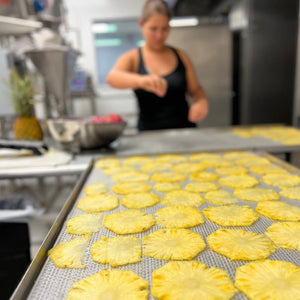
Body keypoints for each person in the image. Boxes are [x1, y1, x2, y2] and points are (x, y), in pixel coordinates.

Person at [106, 0, 209, 131]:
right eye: (153, 29)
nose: (159, 35)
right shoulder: (133, 57)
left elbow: (196, 91)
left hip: (185, 132)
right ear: (141, 24)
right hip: (149, 135)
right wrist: (141, 80)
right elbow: (112, 78)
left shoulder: (181, 55)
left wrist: (201, 102)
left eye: (164, 29)